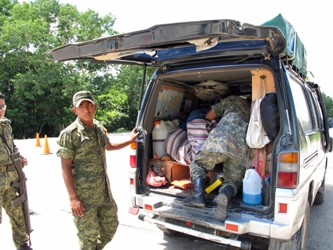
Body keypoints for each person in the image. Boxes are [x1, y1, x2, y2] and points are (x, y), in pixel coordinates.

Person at [56, 90, 139, 250]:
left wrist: (130, 140)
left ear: (95, 106)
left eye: (89, 105)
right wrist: (73, 198)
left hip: (103, 194)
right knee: (88, 239)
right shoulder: (70, 134)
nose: (86, 110)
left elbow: (109, 146)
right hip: (84, 199)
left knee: (110, 228)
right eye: (81, 106)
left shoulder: (98, 128)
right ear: (75, 110)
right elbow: (65, 167)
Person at [182, 95, 251, 222]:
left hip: (221, 139)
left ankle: (197, 195)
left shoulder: (232, 99)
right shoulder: (253, 107)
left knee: (198, 164)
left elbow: (209, 116)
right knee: (232, 181)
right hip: (242, 146)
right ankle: (224, 195)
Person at [0, 93, 31, 250]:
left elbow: (12, 146)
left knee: (17, 213)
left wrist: (19, 158)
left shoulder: (6, 125)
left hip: (11, 180)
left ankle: (22, 244)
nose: (1, 110)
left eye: (3, 106)